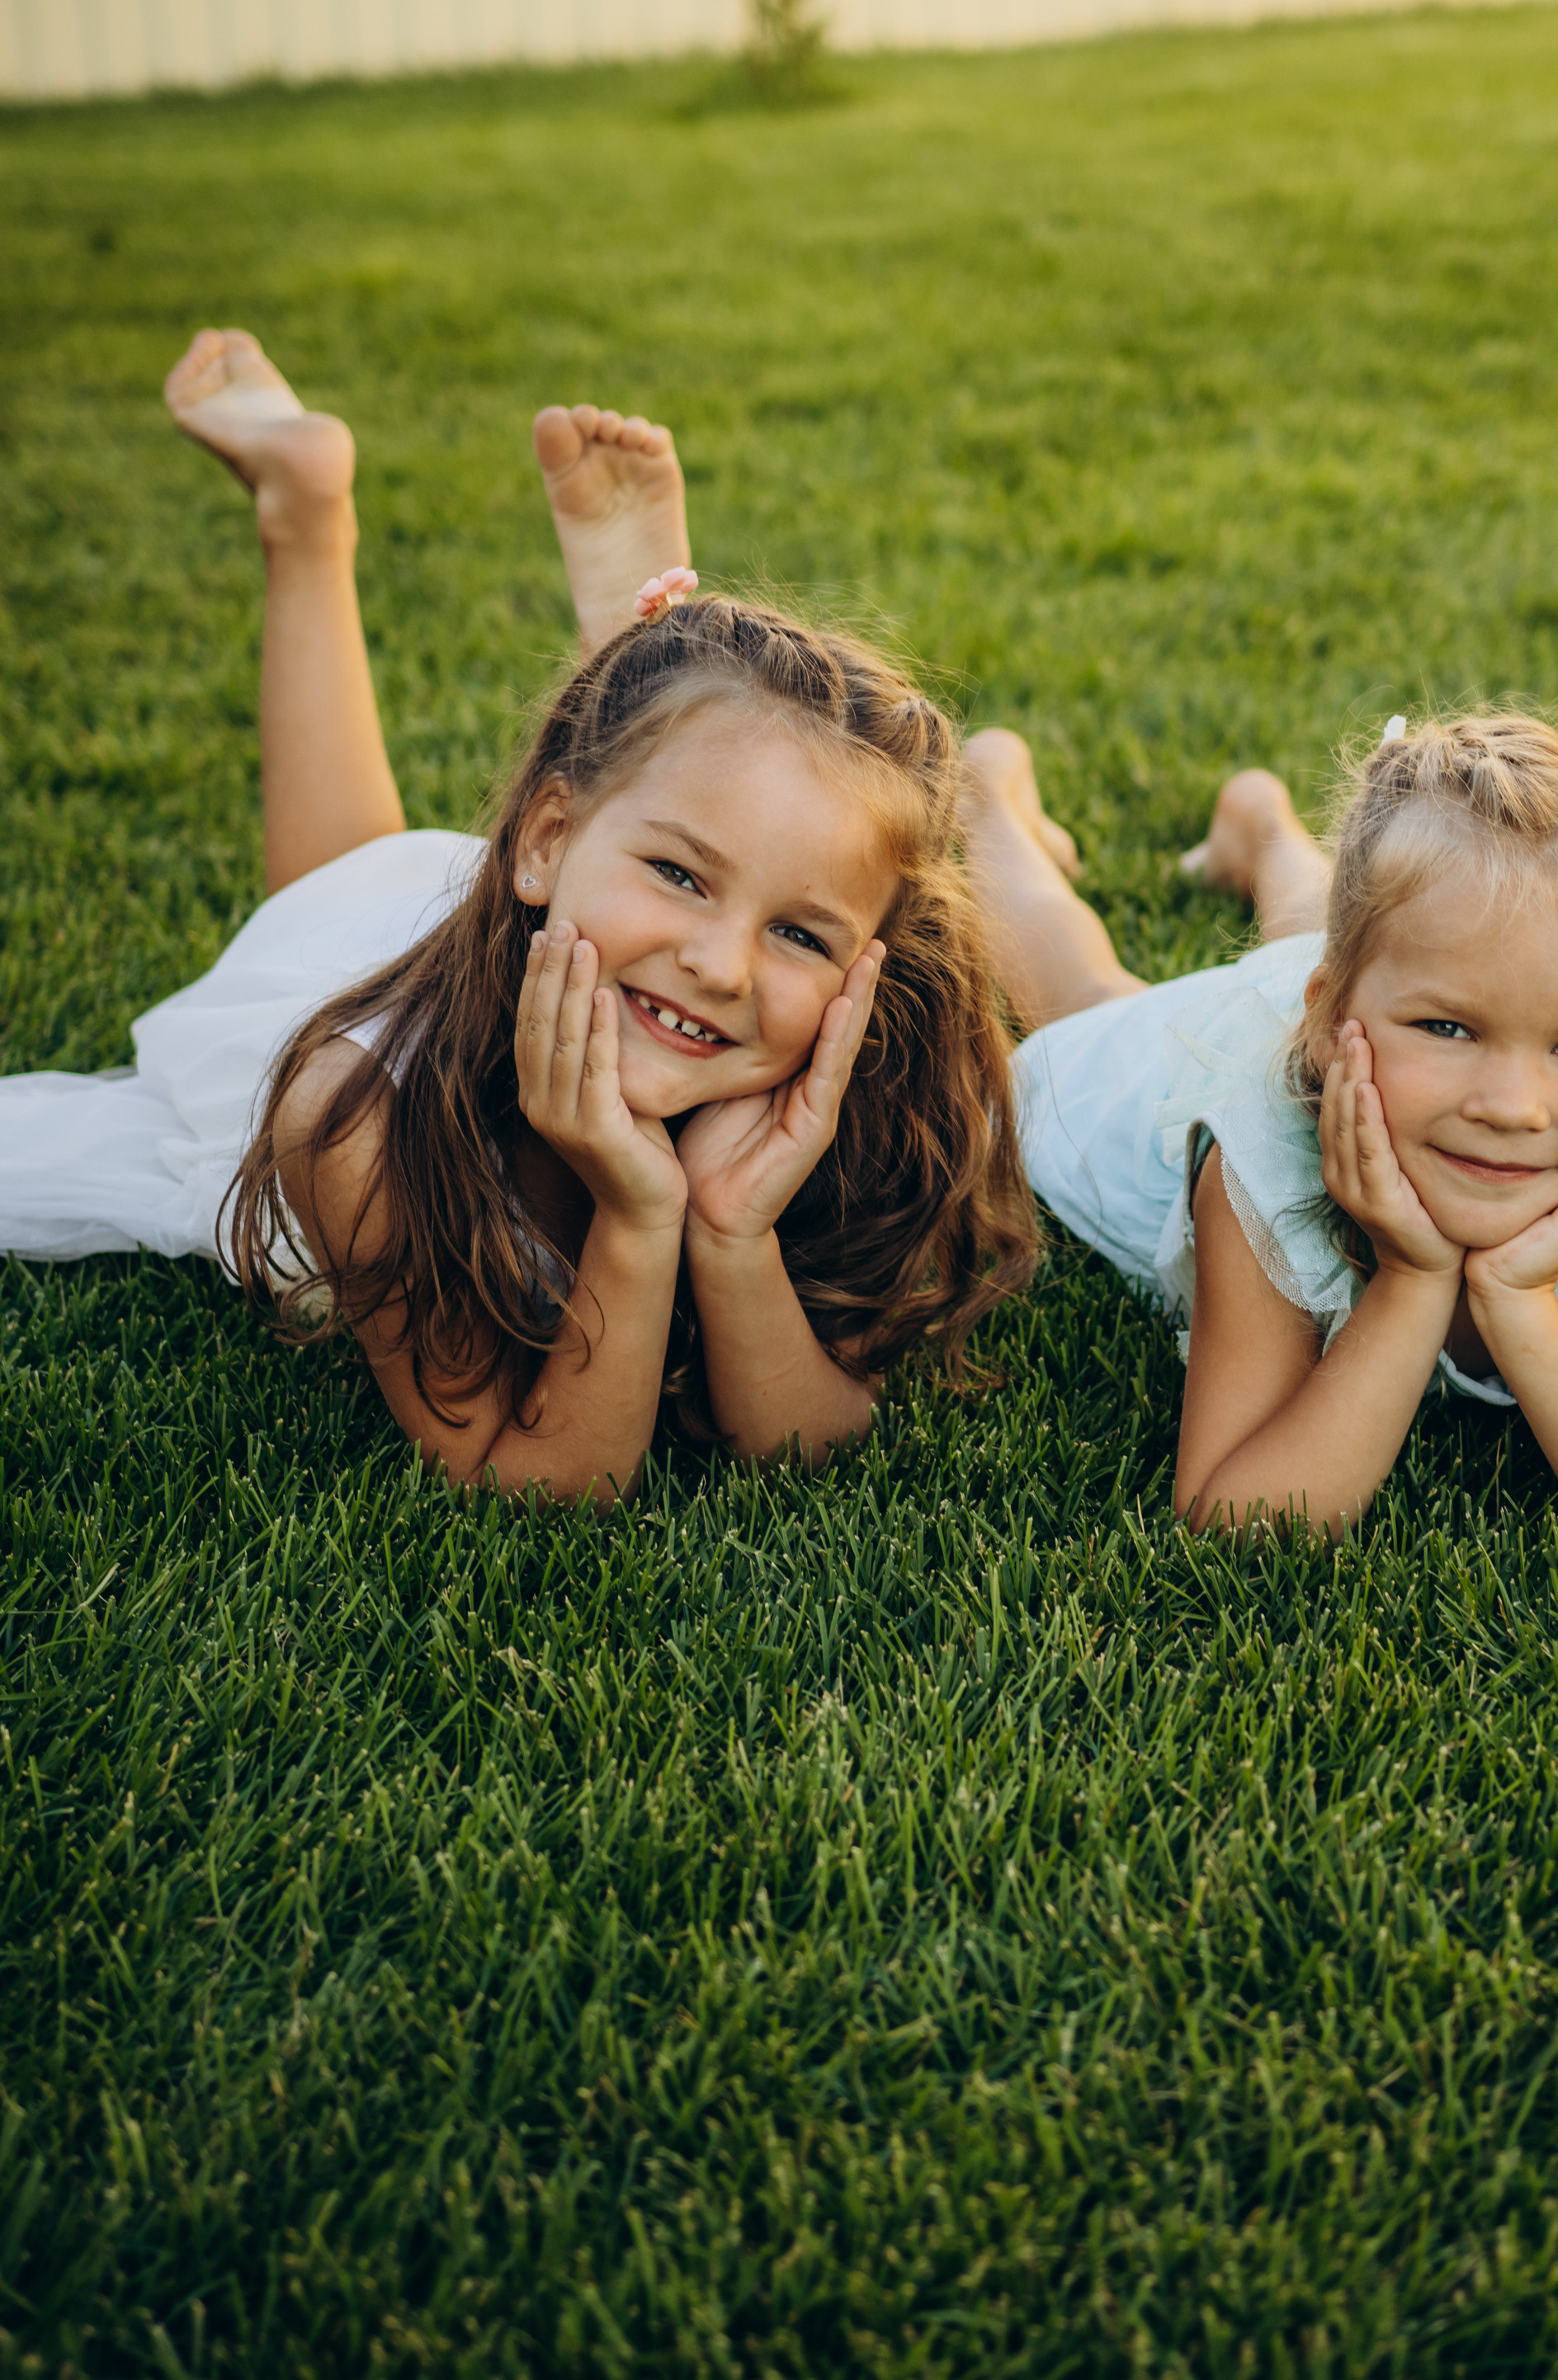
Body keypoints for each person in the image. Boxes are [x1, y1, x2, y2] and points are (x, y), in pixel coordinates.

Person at [0, 333, 1034, 1505]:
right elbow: (537, 1481)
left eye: (801, 935)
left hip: (563, 939)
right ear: (540, 839)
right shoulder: (352, 1127)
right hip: (403, 988)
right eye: (682, 875)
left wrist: (731, 1232)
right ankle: (308, 517)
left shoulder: (840, 1094)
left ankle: (640, 687)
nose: (723, 967)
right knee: (328, 890)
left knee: (534, 861)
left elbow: (808, 1444)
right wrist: (637, 1220)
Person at [960, 712, 1558, 1541]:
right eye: (1449, 1030)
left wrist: (1520, 1302)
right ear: (1329, 1024)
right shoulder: (1264, 1159)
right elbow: (1231, 1519)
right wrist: (1414, 1279)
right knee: (1095, 993)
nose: (1509, 1107)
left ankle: (1264, 826)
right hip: (1256, 1053)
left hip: (1374, 1001)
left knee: (1371, 942)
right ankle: (989, 793)